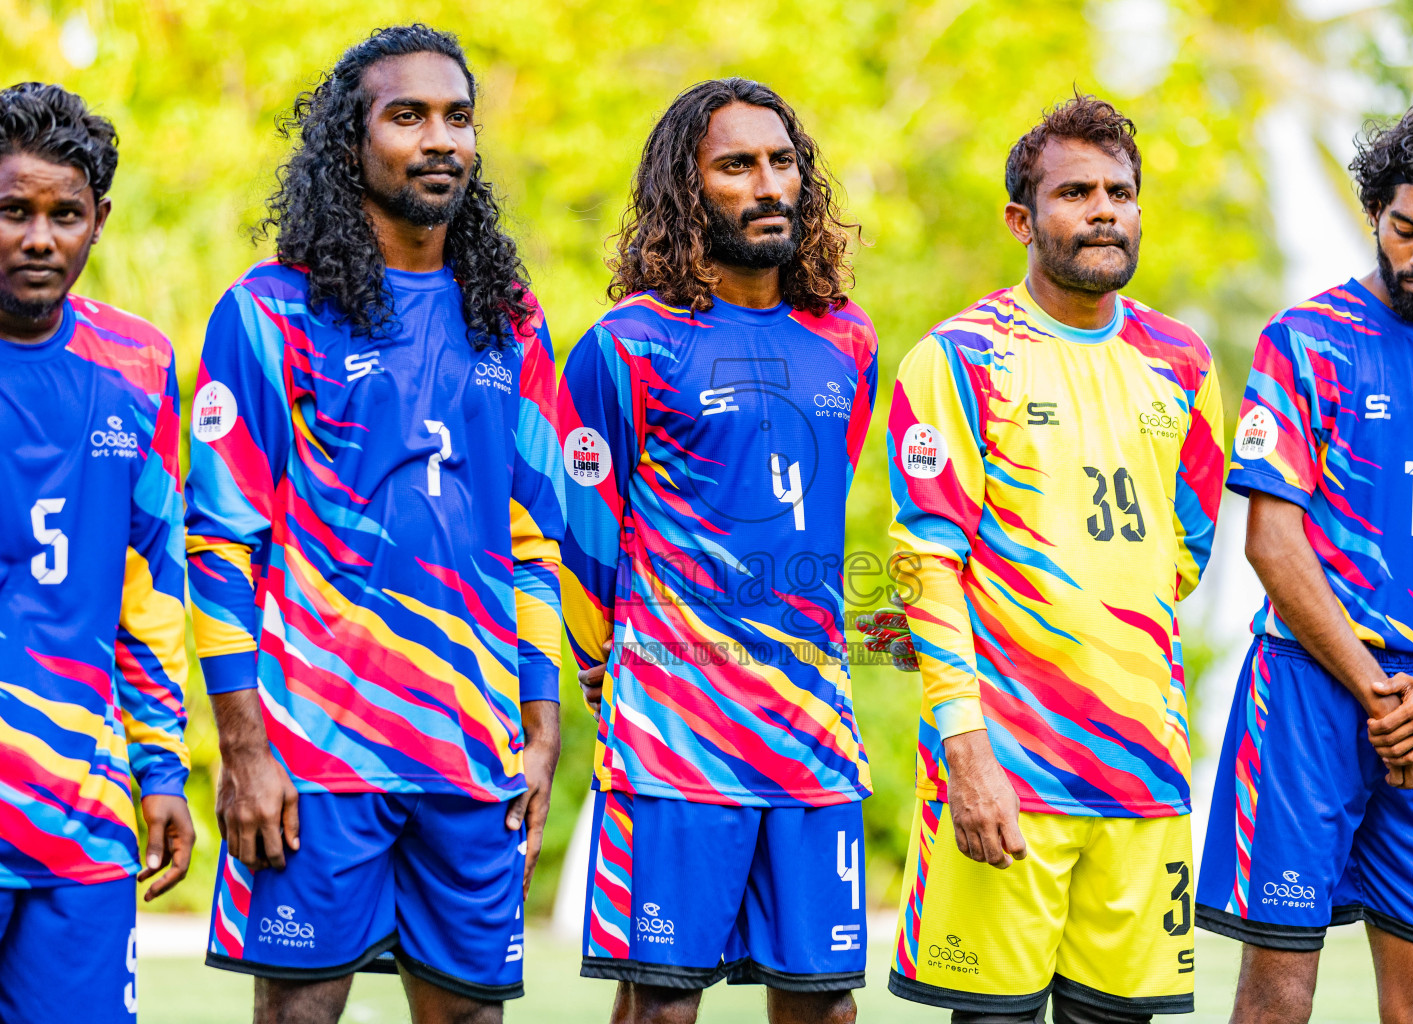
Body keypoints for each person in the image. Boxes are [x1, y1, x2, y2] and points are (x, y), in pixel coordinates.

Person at [186, 26, 563, 1023]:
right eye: (407, 116)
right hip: (316, 752)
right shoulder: (271, 312)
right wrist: (245, 746)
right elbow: (220, 542)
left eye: (457, 116)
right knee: (301, 1012)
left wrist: (542, 715)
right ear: (350, 143)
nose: (439, 138)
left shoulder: (513, 321)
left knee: (472, 1014)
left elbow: (532, 538)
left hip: (472, 744)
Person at [871, 94, 1225, 1023]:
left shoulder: (1184, 363)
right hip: (1008, 773)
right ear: (1021, 220)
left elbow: (1185, 556)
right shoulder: (960, 357)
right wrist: (968, 753)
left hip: (1146, 775)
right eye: (1076, 191)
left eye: (1121, 190)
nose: (1105, 208)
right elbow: (926, 566)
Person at [1194, 99, 1413, 1024]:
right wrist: (1380, 693)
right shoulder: (1304, 342)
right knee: (1279, 993)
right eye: (1406, 228)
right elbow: (1271, 540)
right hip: (1308, 692)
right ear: (1376, 215)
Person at [560, 77, 877, 1024]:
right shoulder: (626, 345)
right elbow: (583, 537)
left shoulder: (848, 339)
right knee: (661, 1006)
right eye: (736, 166)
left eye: (781, 162)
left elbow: (816, 508)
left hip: (816, 735)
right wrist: (600, 669)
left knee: (825, 1007)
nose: (768, 184)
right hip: (675, 738)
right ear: (686, 189)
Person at [0, 82, 193, 1023]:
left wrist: (161, 769)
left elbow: (153, 585)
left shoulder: (140, 364)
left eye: (63, 214)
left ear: (98, 221)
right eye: (13, 211)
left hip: (82, 811)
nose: (39, 238)